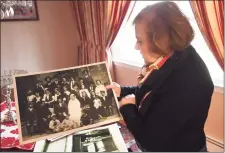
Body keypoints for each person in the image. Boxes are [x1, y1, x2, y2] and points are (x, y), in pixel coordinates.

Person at [106, 2, 213, 152]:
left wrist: (127, 107)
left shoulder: (187, 82)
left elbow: (152, 142)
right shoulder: (173, 54)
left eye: (140, 41)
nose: (136, 47)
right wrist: (121, 91)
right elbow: (153, 92)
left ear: (160, 40)